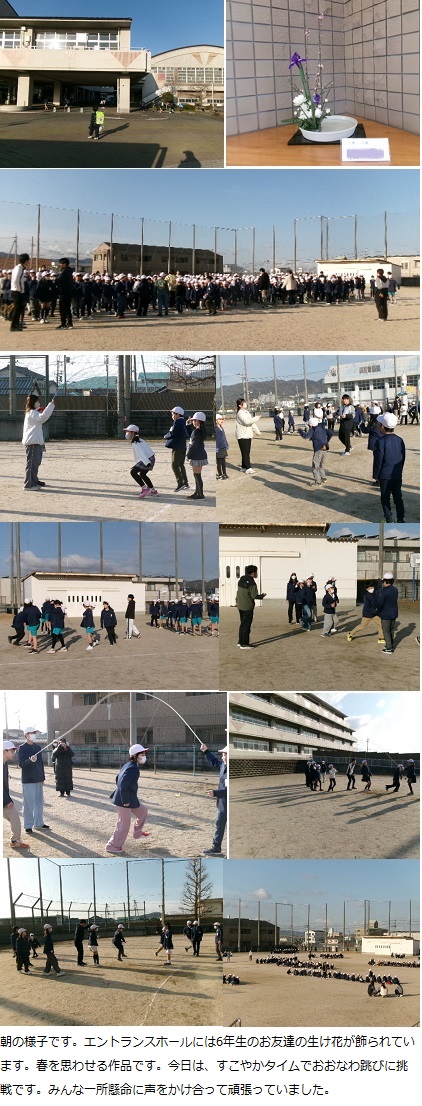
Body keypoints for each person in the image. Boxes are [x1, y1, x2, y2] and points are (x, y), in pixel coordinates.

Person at [106, 743, 150, 855]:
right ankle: (112, 846)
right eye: (142, 754)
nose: (144, 756)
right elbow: (122, 784)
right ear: (135, 755)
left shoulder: (129, 765)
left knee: (143, 811)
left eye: (144, 754)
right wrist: (125, 800)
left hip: (130, 798)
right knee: (123, 825)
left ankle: (137, 834)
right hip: (124, 801)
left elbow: (117, 778)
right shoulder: (132, 768)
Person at [373, 413, 405, 523]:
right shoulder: (400, 440)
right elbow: (403, 458)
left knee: (385, 498)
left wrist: (376, 475)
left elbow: (378, 461)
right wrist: (399, 470)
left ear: (382, 426)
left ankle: (389, 519)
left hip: (385, 475)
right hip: (397, 474)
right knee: (398, 497)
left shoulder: (380, 441)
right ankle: (401, 519)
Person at [18, 725, 49, 834]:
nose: (34, 735)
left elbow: (40, 764)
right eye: (32, 733)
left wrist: (42, 777)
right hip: (28, 780)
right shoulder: (22, 748)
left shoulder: (38, 747)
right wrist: (30, 760)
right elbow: (21, 764)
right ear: (26, 735)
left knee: (39, 803)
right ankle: (28, 825)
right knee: (28, 804)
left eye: (35, 733)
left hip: (38, 779)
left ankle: (39, 823)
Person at [22, 393, 55, 491]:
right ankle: (29, 484)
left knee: (35, 463)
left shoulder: (33, 412)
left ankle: (34, 480)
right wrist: (50, 406)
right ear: (34, 402)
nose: (38, 403)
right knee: (32, 464)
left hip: (35, 442)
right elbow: (43, 418)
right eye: (37, 401)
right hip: (32, 442)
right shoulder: (32, 413)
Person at [201, 743, 227, 856]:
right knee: (219, 825)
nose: (222, 757)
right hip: (222, 804)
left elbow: (229, 790)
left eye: (224, 755)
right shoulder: (223, 766)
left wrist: (215, 793)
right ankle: (216, 848)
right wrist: (206, 751)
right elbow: (215, 761)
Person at [3, 740, 30, 850]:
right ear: (4, 751)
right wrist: (6, 801)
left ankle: (15, 840)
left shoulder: (4, 763)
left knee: (14, 816)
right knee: (14, 815)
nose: (14, 753)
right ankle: (15, 841)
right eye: (12, 751)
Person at [235, 565, 266, 649]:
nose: (256, 573)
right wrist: (262, 596)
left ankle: (240, 641)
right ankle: (245, 643)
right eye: (256, 572)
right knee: (246, 625)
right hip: (247, 605)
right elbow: (254, 595)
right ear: (253, 573)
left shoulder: (242, 579)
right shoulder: (252, 582)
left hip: (240, 604)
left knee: (242, 624)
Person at [125, 424, 157, 499]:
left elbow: (141, 454)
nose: (127, 433)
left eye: (128, 432)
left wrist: (147, 463)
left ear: (133, 433)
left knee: (133, 472)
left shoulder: (135, 442)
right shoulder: (139, 440)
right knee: (143, 474)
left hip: (147, 459)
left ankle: (145, 488)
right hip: (150, 458)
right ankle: (152, 490)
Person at [299, 416, 332, 485]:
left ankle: (318, 481)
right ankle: (323, 478)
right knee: (321, 464)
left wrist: (300, 431)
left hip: (318, 449)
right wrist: (326, 441)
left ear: (311, 425)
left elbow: (306, 436)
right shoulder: (321, 427)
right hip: (325, 448)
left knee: (315, 466)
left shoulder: (313, 430)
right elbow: (330, 433)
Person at [164, 406, 189, 491]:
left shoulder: (177, 422)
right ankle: (185, 482)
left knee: (174, 465)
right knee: (181, 464)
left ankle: (180, 483)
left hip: (178, 447)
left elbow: (174, 433)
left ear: (177, 414)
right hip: (183, 446)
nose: (172, 415)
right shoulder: (183, 421)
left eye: (173, 413)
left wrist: (166, 436)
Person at [235, 399, 261, 474]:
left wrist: (257, 431)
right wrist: (256, 418)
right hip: (242, 435)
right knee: (245, 452)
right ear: (240, 405)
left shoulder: (246, 412)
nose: (246, 404)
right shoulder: (240, 413)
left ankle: (243, 467)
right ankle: (248, 468)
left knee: (246, 452)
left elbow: (251, 423)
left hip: (248, 435)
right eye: (244, 403)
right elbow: (247, 422)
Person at [375, 572, 399, 655]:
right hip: (394, 613)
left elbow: (380, 603)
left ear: (385, 581)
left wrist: (377, 611)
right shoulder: (395, 590)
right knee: (391, 630)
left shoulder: (383, 591)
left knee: (386, 631)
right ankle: (390, 644)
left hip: (386, 614)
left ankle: (389, 648)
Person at [186, 411, 208, 499]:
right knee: (196, 475)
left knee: (197, 475)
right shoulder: (199, 431)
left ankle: (200, 494)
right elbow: (191, 436)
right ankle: (197, 492)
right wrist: (188, 425)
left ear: (198, 421)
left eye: (194, 420)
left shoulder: (197, 432)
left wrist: (188, 455)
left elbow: (193, 445)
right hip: (199, 455)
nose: (193, 422)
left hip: (197, 456)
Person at [10, 252, 30, 332]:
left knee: (20, 309)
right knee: (17, 309)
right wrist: (20, 289)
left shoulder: (19, 268)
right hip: (17, 291)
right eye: (28, 260)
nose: (28, 262)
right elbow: (16, 280)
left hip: (17, 290)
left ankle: (17, 324)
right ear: (26, 261)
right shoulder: (19, 268)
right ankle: (13, 326)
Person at [56, 257, 74, 330]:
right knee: (67, 308)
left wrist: (55, 280)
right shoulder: (69, 271)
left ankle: (64, 323)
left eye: (61, 263)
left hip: (64, 292)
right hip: (68, 292)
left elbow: (58, 280)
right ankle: (69, 323)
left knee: (63, 308)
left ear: (65, 264)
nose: (60, 265)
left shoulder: (65, 271)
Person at [216, 412, 229, 479]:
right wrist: (216, 448)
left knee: (223, 461)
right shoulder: (216, 429)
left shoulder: (221, 428)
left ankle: (224, 473)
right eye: (220, 419)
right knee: (219, 462)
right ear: (216, 420)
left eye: (222, 419)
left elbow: (224, 437)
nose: (221, 420)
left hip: (223, 447)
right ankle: (220, 474)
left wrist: (226, 444)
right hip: (218, 448)